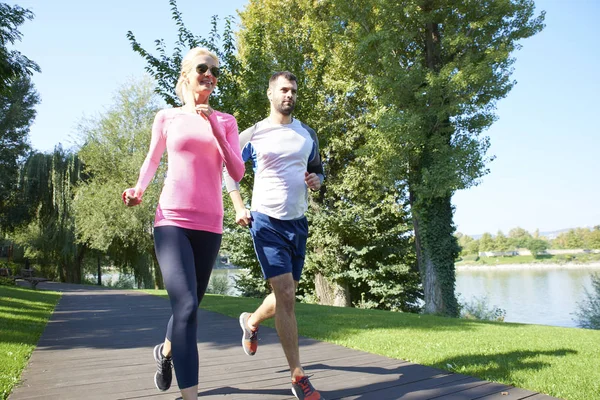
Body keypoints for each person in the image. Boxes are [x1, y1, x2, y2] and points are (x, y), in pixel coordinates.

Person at [122, 47, 244, 400]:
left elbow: (236, 171)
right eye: (203, 69)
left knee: (188, 308)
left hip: (210, 226)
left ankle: (165, 351)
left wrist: (215, 130)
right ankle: (190, 396)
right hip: (171, 220)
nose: (210, 75)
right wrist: (138, 189)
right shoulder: (167, 117)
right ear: (187, 74)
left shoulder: (226, 121)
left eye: (215, 72)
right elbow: (152, 159)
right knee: (187, 306)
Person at [224, 71, 325, 400]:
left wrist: (317, 181)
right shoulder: (254, 134)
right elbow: (230, 171)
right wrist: (239, 206)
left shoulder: (307, 134)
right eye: (283, 89)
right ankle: (298, 375)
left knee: (288, 294)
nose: (289, 95)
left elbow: (318, 170)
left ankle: (251, 321)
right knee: (284, 292)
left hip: (298, 222)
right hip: (266, 220)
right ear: (270, 94)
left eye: (293, 90)